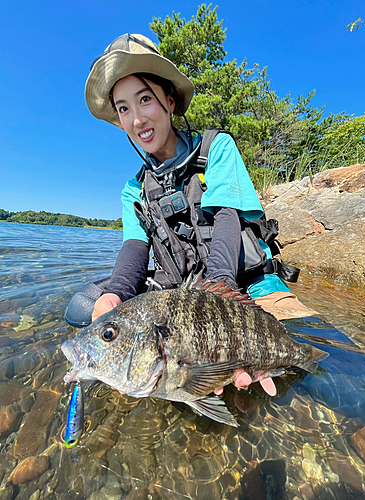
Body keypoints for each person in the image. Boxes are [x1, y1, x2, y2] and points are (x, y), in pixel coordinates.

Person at [73, 33, 316, 396]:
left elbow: (228, 220)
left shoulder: (216, 148)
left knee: (319, 352)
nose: (137, 118)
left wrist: (221, 297)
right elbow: (135, 249)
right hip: (184, 295)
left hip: (238, 286)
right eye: (123, 108)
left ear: (169, 102)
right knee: (81, 309)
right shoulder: (133, 188)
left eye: (144, 99)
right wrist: (118, 296)